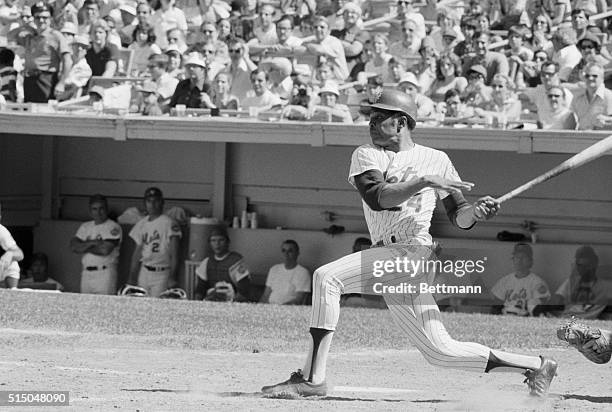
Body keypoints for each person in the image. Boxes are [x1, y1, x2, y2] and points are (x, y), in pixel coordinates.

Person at [261, 89, 558, 398]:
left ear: (401, 122)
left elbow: (460, 217)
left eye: (379, 118)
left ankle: (312, 379)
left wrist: (477, 212)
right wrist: (423, 182)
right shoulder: (367, 154)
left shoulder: (437, 159)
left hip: (412, 252)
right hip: (386, 253)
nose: (371, 124)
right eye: (370, 117)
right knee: (440, 351)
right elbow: (377, 198)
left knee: (327, 277)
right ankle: (537, 365)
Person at [10, 2, 72, 102]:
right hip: (29, 79)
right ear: (33, 19)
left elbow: (67, 60)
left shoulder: (56, 36)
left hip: (46, 79)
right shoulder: (30, 36)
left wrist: (62, 83)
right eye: (37, 17)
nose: (41, 20)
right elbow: (10, 36)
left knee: (44, 111)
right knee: (29, 110)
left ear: (51, 19)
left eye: (45, 17)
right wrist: (25, 26)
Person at [128, 187, 181, 297]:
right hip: (144, 270)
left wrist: (173, 277)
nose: (152, 204)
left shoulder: (169, 223)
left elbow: (175, 254)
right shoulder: (141, 224)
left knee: (157, 306)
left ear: (162, 202)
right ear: (145, 203)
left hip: (161, 271)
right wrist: (132, 277)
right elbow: (136, 254)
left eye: (156, 201)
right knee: (141, 306)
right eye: (149, 201)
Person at [534, 246, 612, 319]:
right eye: (580, 265)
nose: (584, 269)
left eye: (587, 266)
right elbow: (556, 301)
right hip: (566, 320)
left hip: (588, 324)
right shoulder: (571, 282)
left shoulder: (606, 286)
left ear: (594, 265)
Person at [70, 194, 122, 294]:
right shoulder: (85, 226)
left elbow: (105, 250)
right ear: (90, 211)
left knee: (104, 306)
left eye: (101, 208)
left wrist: (84, 246)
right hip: (86, 273)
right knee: (85, 306)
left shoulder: (113, 226)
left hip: (104, 273)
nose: (98, 212)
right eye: (95, 209)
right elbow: (73, 247)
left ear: (106, 209)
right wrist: (93, 242)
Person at [490, 243, 550, 316]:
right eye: (517, 257)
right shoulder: (504, 281)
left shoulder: (537, 282)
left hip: (526, 319)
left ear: (530, 261)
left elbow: (540, 307)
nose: (519, 260)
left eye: (524, 257)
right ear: (513, 259)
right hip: (506, 318)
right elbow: (496, 305)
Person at [194, 226, 251, 301]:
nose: (217, 244)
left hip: (232, 303)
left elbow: (244, 293)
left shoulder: (236, 262)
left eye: (221, 240)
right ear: (210, 243)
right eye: (213, 240)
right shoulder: (207, 262)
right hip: (210, 303)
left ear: (227, 242)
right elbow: (200, 289)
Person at [259, 240, 311, 305]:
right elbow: (265, 295)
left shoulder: (303, 273)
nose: (286, 254)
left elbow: (299, 300)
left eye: (290, 251)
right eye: (284, 251)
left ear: (297, 253)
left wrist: (280, 308)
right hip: (269, 307)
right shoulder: (274, 269)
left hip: (288, 310)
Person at [570, 62, 612, 130]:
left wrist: (605, 121)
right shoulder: (578, 97)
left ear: (602, 78)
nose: (590, 78)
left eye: (594, 76)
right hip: (581, 138)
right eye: (587, 76)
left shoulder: (609, 97)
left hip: (602, 138)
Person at [0, 201, 24, 289]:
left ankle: (12, 293)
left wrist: (10, 254)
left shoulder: (1, 231)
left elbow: (20, 254)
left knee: (12, 262)